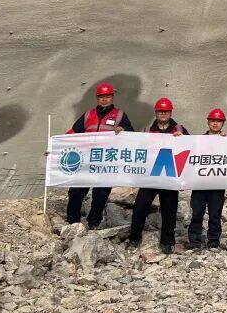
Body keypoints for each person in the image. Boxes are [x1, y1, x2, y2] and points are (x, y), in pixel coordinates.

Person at [66, 82, 134, 229]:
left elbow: (131, 135)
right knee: (76, 190)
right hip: (86, 160)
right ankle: (72, 222)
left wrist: (123, 129)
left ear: (112, 97)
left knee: (101, 193)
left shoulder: (120, 115)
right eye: (101, 97)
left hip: (106, 162)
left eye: (107, 96)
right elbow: (73, 132)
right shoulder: (88, 115)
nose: (104, 99)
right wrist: (56, 146)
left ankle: (94, 222)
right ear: (97, 98)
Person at [128, 98, 188, 254]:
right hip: (151, 176)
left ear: (170, 112)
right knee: (140, 207)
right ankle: (134, 237)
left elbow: (191, 149)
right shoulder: (148, 130)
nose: (163, 114)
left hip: (170, 176)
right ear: (156, 112)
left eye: (166, 111)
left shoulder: (180, 129)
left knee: (169, 211)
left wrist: (183, 139)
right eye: (160, 111)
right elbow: (138, 149)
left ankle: (167, 242)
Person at [188, 108, 227, 250]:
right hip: (200, 183)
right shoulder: (198, 140)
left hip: (217, 183)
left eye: (218, 121)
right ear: (208, 122)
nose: (215, 123)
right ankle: (194, 242)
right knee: (197, 213)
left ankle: (213, 241)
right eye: (212, 121)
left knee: (215, 214)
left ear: (223, 123)